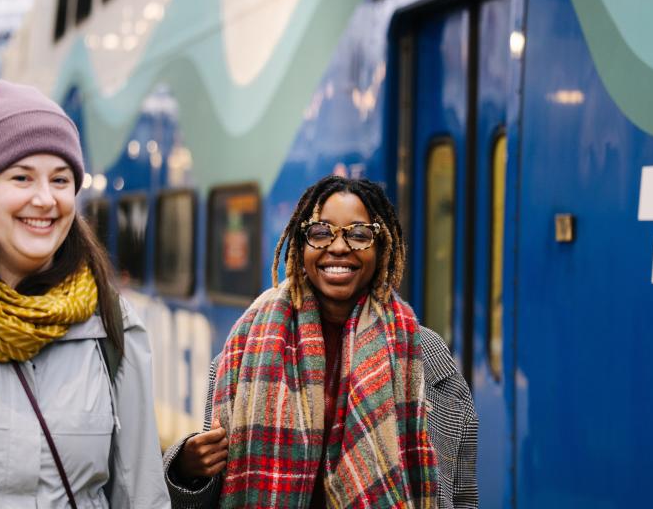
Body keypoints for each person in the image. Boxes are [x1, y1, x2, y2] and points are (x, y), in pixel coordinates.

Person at [0, 80, 170, 508]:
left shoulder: (111, 322)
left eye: (61, 179)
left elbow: (140, 495)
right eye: (21, 177)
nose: (44, 199)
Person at [163, 176, 478, 508]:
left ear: (380, 247)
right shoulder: (244, 347)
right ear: (301, 246)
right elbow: (216, 486)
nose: (338, 247)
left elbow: (462, 491)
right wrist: (186, 467)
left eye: (359, 234)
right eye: (320, 233)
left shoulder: (425, 355)